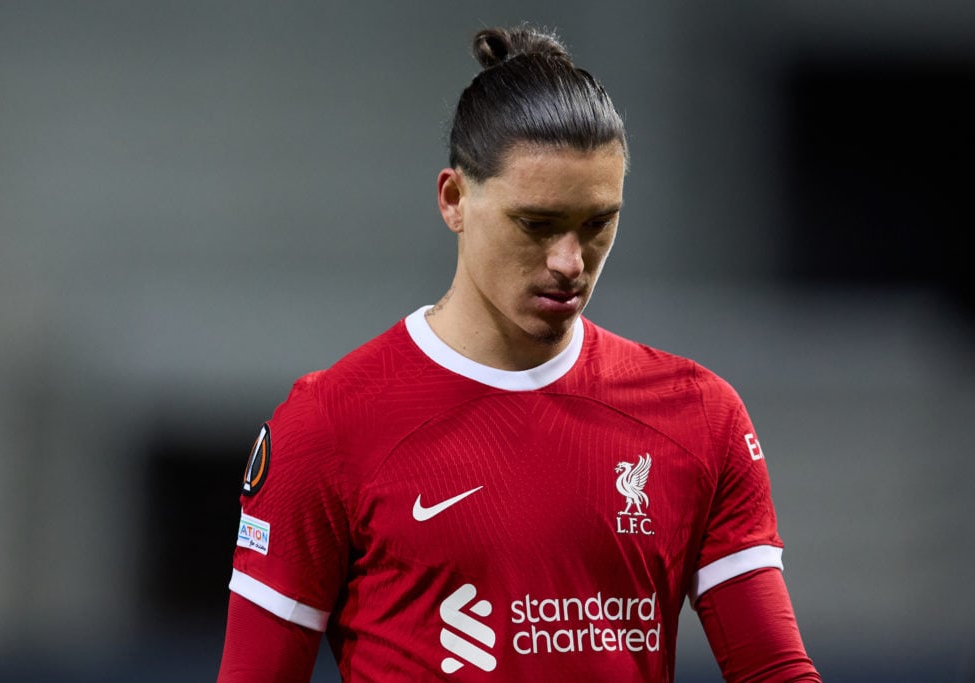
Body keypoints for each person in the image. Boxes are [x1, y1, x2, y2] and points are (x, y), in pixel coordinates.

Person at [218, 25, 821, 682]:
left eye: (598, 224)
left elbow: (773, 671)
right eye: (535, 225)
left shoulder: (700, 416)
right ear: (454, 198)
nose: (570, 262)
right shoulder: (327, 425)